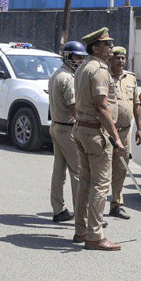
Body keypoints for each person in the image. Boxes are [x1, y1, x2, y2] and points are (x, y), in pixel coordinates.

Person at [71, 27, 124, 251]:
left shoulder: (83, 67)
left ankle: (81, 230)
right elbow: (102, 107)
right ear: (95, 47)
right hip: (95, 132)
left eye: (111, 42)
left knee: (85, 182)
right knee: (100, 185)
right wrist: (117, 139)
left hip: (82, 129)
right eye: (107, 43)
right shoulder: (100, 70)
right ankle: (95, 235)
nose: (111, 46)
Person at [48, 40, 86, 223]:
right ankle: (83, 214)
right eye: (78, 57)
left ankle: (58, 209)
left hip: (57, 126)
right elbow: (73, 108)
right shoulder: (68, 78)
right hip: (68, 128)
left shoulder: (57, 74)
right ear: (69, 57)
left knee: (59, 171)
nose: (81, 60)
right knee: (78, 172)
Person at [107, 46, 141, 220]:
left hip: (125, 131)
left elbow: (136, 105)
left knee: (121, 169)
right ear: (110, 59)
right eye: (117, 58)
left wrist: (140, 128)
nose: (121, 61)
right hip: (107, 133)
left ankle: (116, 204)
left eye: (123, 58)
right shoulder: (104, 77)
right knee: (103, 170)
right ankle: (96, 208)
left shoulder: (131, 78)